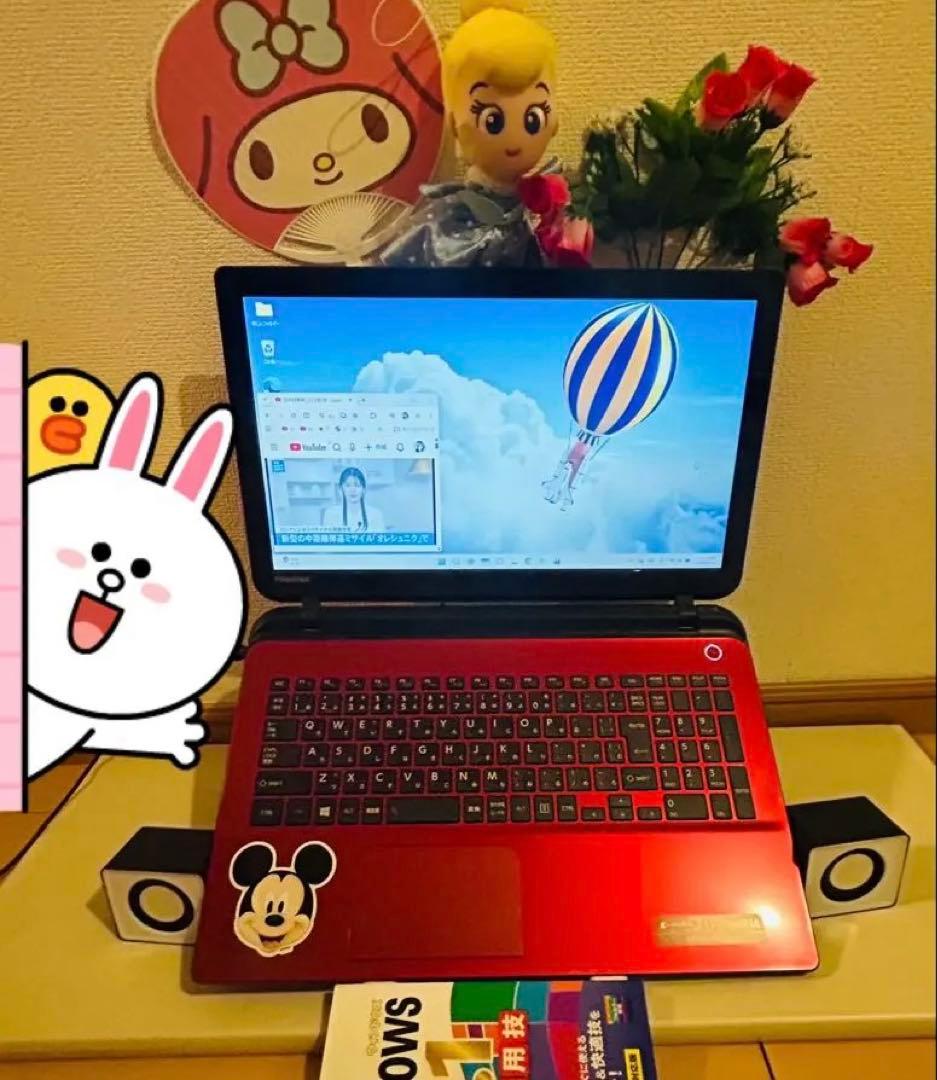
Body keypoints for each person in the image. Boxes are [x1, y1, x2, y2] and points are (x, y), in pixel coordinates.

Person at [379, 0, 559, 267]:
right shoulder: (447, 231)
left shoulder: (545, 210)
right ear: (455, 123)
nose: (515, 139)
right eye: (493, 121)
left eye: (533, 119)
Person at [322, 467, 386, 533]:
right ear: (340, 490)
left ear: (363, 490)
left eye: (357, 485)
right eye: (348, 485)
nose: (352, 490)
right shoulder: (331, 514)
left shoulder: (376, 515)